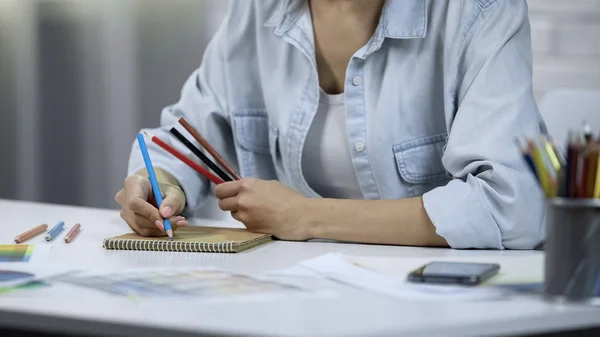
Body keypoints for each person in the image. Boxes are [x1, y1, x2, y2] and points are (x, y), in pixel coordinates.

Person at [115, 0, 545, 249]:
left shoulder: (479, 12)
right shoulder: (257, 9)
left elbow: (512, 208)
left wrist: (307, 217)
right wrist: (161, 184)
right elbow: (188, 137)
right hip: (294, 296)